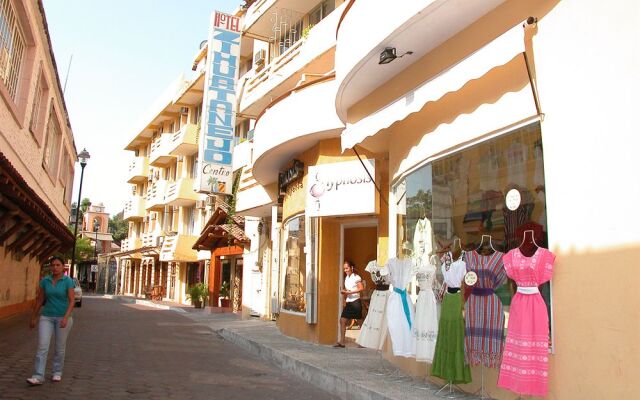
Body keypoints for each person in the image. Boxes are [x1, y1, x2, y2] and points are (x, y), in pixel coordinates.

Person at [27, 256, 76, 385]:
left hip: (63, 317)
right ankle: (38, 376)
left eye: (58, 265)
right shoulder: (45, 281)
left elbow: (72, 301)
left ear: (63, 267)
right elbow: (39, 300)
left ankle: (57, 372)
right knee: (42, 346)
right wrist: (34, 317)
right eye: (53, 265)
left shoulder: (68, 281)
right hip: (46, 317)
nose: (55, 267)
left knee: (59, 348)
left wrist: (66, 317)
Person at [334, 261, 364, 348]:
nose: (345, 270)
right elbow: (348, 289)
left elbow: (361, 288)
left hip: (356, 302)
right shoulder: (347, 277)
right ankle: (342, 341)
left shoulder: (356, 277)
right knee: (342, 320)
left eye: (347, 268)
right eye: (344, 269)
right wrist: (345, 292)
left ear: (351, 268)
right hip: (349, 302)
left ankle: (363, 342)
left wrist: (349, 292)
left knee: (360, 322)